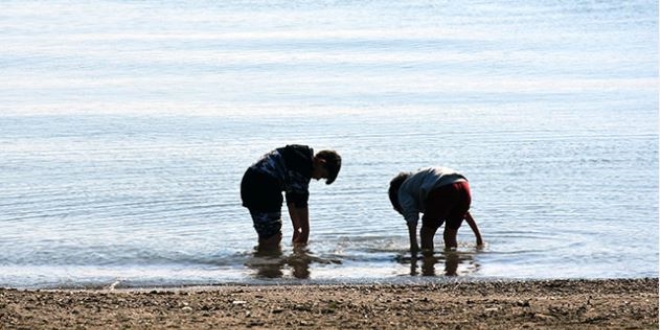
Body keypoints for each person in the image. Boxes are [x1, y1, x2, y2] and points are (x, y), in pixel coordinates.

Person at [241, 144, 341, 251]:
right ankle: (271, 265)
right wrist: (305, 232)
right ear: (321, 162)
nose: (317, 179)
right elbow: (301, 202)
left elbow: (292, 199)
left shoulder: (296, 158)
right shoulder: (303, 166)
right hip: (265, 185)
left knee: (267, 234)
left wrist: (297, 228)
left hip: (250, 182)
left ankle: (264, 262)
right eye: (322, 175)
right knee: (273, 238)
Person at [388, 167, 483, 253]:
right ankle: (452, 268)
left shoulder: (403, 189)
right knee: (450, 234)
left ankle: (428, 266)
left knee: (426, 233)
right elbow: (465, 212)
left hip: (443, 188)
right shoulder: (419, 179)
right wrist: (479, 238)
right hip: (463, 185)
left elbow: (411, 217)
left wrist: (414, 247)